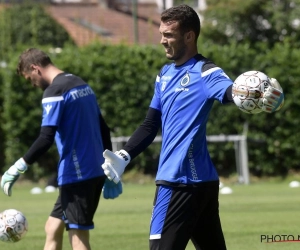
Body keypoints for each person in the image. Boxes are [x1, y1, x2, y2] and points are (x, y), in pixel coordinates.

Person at [101, 4, 284, 250]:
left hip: (178, 182)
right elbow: (150, 124)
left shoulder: (206, 71)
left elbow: (230, 92)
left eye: (168, 35)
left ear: (189, 36)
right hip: (200, 183)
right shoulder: (164, 75)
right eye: (161, 34)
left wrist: (259, 95)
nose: (162, 41)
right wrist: (124, 156)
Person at [0, 48, 122, 250]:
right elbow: (104, 128)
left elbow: (46, 137)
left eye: (30, 78)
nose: (32, 84)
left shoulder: (55, 91)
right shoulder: (80, 84)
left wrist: (18, 167)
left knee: (78, 237)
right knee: (52, 227)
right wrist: (110, 166)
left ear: (35, 68)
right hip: (92, 172)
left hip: (77, 174)